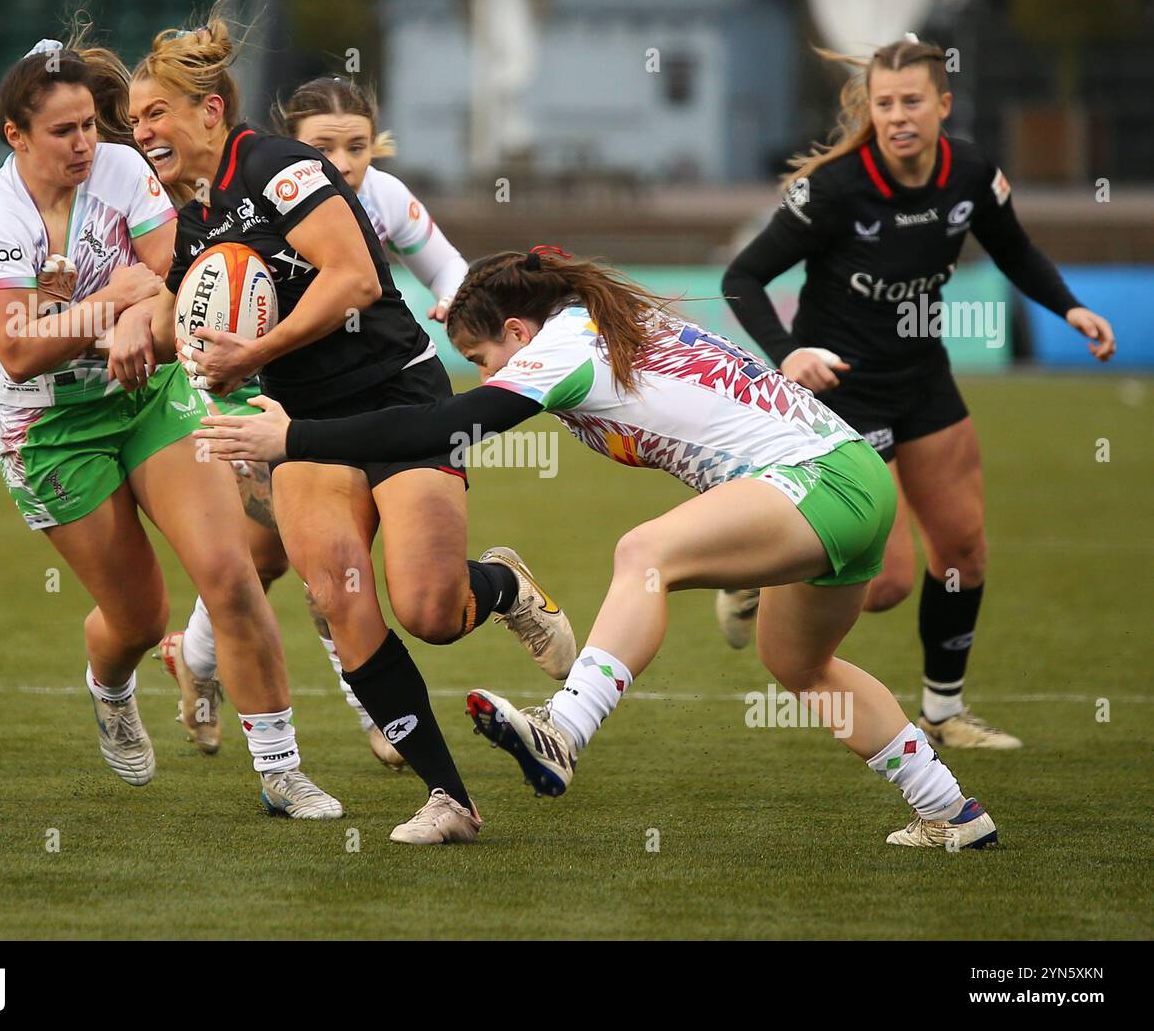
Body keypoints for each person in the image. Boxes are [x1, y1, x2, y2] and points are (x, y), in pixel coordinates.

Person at [195, 248, 1002, 850]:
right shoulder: (594, 320)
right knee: (800, 665)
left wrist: (293, 433)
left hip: (819, 480)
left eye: (482, 356)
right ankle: (953, 811)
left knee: (645, 552)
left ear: (518, 331)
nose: (480, 373)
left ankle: (565, 729)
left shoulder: (563, 348)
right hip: (846, 475)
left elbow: (438, 426)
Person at [128, 19, 577, 843]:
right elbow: (182, 311)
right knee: (340, 596)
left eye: (155, 113)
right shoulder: (186, 218)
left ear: (208, 110)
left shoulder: (278, 167)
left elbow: (356, 276)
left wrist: (252, 352)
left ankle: (504, 586)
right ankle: (451, 798)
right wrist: (128, 325)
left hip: (398, 396)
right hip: (303, 428)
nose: (142, 132)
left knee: (431, 607)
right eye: (134, 121)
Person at [0, 38, 341, 819]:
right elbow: (20, 349)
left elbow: (170, 276)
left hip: (148, 398)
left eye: (88, 126)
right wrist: (115, 302)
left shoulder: (123, 170)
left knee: (229, 573)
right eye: (62, 131)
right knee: (141, 618)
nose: (85, 143)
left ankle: (280, 769)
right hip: (53, 431)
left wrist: (134, 313)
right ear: (16, 136)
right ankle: (110, 685)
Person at [719, 35, 1116, 750]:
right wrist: (789, 355)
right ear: (870, 110)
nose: (898, 116)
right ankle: (758, 570)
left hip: (924, 381)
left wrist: (1069, 307)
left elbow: (1015, 248)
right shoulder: (837, 189)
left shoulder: (969, 172)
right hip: (845, 395)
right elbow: (741, 278)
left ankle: (943, 711)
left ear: (943, 103)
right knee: (887, 581)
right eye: (884, 104)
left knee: (963, 548)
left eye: (911, 102)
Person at [154, 75, 473, 770]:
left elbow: (447, 268)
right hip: (282, 407)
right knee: (303, 570)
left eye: (358, 146)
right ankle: (377, 717)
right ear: (290, 144)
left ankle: (193, 654)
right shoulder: (230, 200)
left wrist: (458, 303)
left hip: (383, 386)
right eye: (326, 146)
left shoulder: (381, 197)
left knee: (284, 568)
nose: (345, 161)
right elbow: (185, 307)